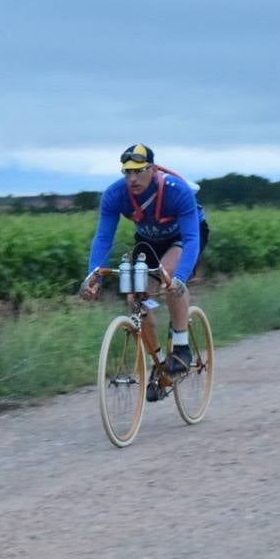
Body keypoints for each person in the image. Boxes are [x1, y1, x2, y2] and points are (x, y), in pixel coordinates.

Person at [79, 144, 209, 396]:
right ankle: (159, 365)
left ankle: (181, 349)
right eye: (127, 172)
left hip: (185, 236)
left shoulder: (176, 191)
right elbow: (103, 237)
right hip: (150, 239)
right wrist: (93, 275)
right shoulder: (115, 194)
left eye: (138, 171)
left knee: (169, 278)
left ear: (152, 169)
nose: (132, 179)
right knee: (135, 297)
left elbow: (192, 238)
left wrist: (180, 278)